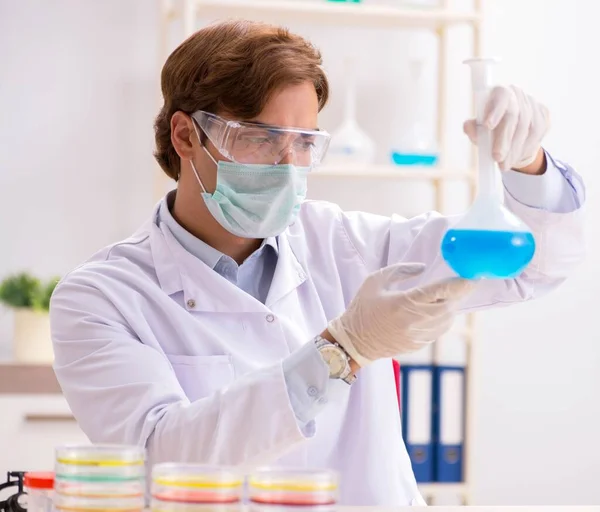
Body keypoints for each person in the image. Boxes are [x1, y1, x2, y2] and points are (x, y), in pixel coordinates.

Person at [49, 20, 585, 506]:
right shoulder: (100, 298)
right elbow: (160, 461)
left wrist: (527, 165)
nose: (287, 167)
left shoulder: (345, 243)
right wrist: (342, 351)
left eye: (303, 143)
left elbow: (533, 269)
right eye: (260, 139)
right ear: (187, 136)